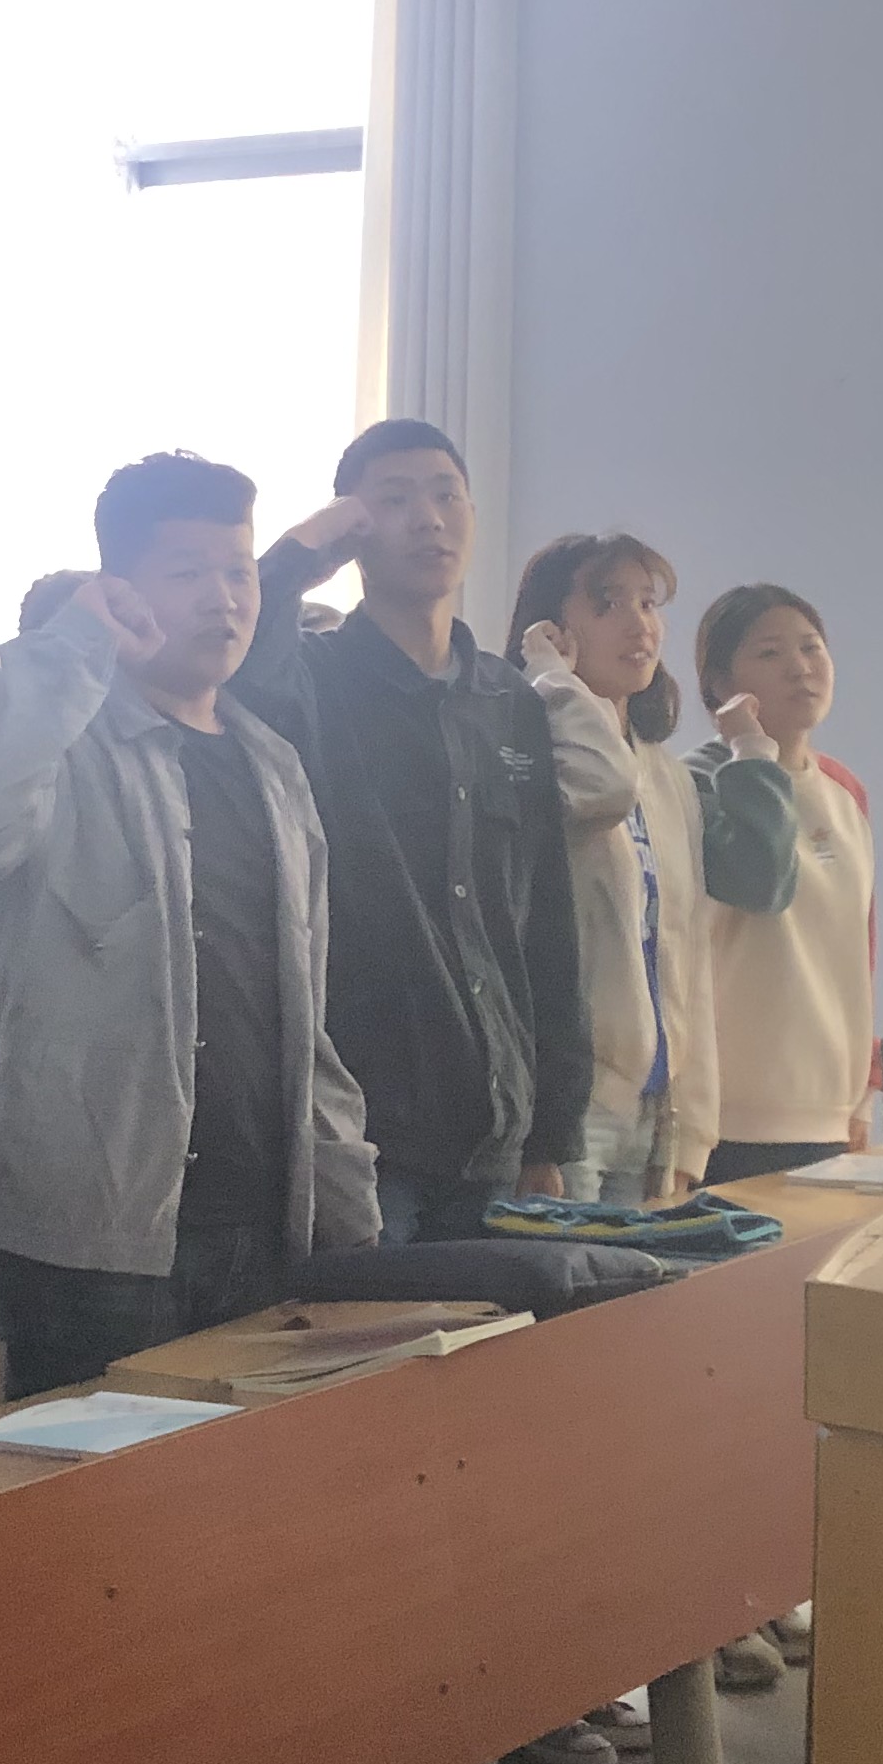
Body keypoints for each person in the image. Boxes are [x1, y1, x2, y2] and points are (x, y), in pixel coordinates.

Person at [0, 452, 383, 1764]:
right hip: (96, 1227)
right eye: (191, 574)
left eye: (240, 572)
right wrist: (69, 651)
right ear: (122, 588)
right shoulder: (57, 737)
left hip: (263, 1216)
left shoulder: (270, 761)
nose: (228, 599)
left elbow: (304, 1008)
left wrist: (347, 1200)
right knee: (100, 1565)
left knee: (251, 1542)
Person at [234, 419, 589, 1240]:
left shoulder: (508, 701)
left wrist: (552, 1129)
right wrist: (298, 554)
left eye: (445, 496)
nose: (428, 519)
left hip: (496, 1129)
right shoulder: (314, 678)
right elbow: (235, 661)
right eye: (394, 501)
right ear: (354, 529)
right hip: (365, 1131)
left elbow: (546, 920)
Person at [513, 532, 720, 1211]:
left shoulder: (667, 773)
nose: (640, 625)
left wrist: (694, 1131)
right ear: (553, 627)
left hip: (658, 1111)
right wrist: (551, 678)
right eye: (608, 604)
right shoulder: (536, 753)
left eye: (648, 603)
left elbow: (687, 949)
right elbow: (602, 786)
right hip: (577, 1109)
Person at [685, 584, 873, 1184]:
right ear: (720, 683)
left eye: (811, 647)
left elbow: (854, 947)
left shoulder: (844, 790)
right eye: (770, 653)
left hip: (828, 1112)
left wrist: (862, 1092)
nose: (800, 667)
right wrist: (750, 750)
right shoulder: (696, 782)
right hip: (729, 1116)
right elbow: (760, 885)